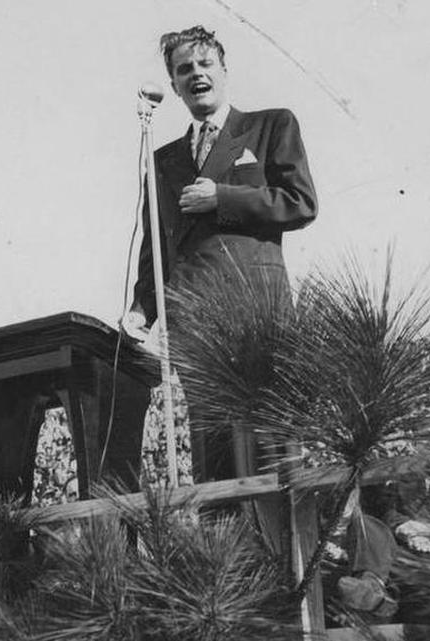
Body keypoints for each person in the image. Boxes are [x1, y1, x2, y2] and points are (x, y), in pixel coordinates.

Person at [125, 24, 317, 483]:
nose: (196, 74)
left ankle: (288, 553)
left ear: (224, 69)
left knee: (273, 439)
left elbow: (301, 202)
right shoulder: (163, 158)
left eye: (205, 63)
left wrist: (223, 198)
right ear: (173, 85)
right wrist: (141, 306)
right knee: (212, 450)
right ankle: (223, 551)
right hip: (194, 320)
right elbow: (157, 244)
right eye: (184, 69)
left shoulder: (270, 126)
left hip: (257, 308)